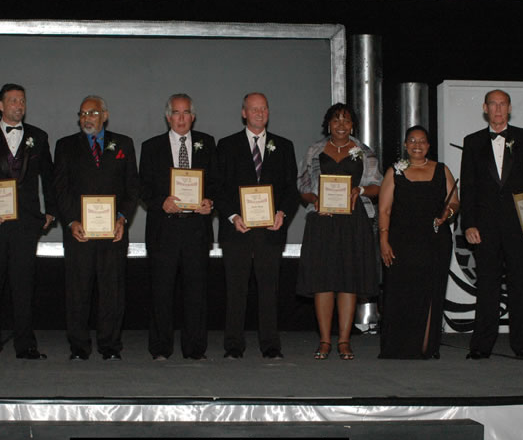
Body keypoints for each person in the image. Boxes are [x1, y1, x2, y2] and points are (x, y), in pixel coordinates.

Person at [0, 83, 56, 360]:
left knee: (23, 285)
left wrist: (51, 211)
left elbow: (49, 178)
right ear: (0, 106)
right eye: (13, 100)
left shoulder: (38, 137)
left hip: (26, 223)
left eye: (22, 101)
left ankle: (25, 344)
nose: (18, 105)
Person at [460, 89, 523, 359]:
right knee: (487, 285)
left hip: (519, 226)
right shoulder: (472, 141)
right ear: (485, 108)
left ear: (509, 108)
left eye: (503, 104)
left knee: (521, 284)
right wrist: (469, 224)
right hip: (484, 227)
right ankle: (481, 345)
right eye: (493, 104)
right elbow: (469, 187)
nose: (498, 109)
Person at [53, 95, 139, 361]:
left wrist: (122, 218)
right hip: (80, 233)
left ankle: (110, 345)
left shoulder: (123, 144)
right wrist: (71, 221)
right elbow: (60, 189)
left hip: (113, 233)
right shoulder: (65, 146)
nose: (86, 118)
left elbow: (132, 188)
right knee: (78, 291)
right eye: (82, 113)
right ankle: (79, 347)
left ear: (105, 115)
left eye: (92, 113)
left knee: (112, 291)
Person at [215, 92, 299, 359]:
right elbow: (218, 187)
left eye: (263, 108)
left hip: (270, 232)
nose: (259, 113)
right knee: (235, 289)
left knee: (269, 289)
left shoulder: (284, 146)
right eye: (254, 109)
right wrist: (231, 216)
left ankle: (271, 345)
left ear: (268, 112)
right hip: (236, 231)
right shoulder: (226, 145)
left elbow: (291, 189)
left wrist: (282, 213)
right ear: (244, 113)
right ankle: (233, 345)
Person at [296, 103, 379, 360]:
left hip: (354, 222)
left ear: (352, 125)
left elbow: (378, 185)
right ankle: (324, 340)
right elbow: (302, 186)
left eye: (346, 121)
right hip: (323, 221)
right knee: (323, 281)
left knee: (348, 280)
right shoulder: (314, 150)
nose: (341, 125)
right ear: (328, 124)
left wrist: (360, 191)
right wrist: (315, 200)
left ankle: (344, 340)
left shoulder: (364, 152)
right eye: (336, 120)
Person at [139, 93, 218, 360]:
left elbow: (216, 183)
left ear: (193, 117)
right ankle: (160, 348)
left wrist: (210, 202)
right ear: (167, 116)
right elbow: (143, 188)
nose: (181, 118)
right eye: (176, 112)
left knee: (196, 292)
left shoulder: (207, 144)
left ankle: (195, 348)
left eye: (186, 113)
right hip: (164, 230)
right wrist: (161, 202)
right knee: (161, 292)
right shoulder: (151, 147)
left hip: (196, 229)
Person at [377, 125, 458, 359]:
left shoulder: (442, 170)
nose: (417, 145)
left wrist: (448, 214)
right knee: (401, 293)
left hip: (435, 241)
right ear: (405, 145)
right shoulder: (395, 171)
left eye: (422, 141)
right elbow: (384, 209)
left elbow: (454, 202)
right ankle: (399, 347)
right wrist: (383, 240)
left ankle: (426, 347)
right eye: (412, 140)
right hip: (401, 243)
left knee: (431, 292)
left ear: (429, 146)